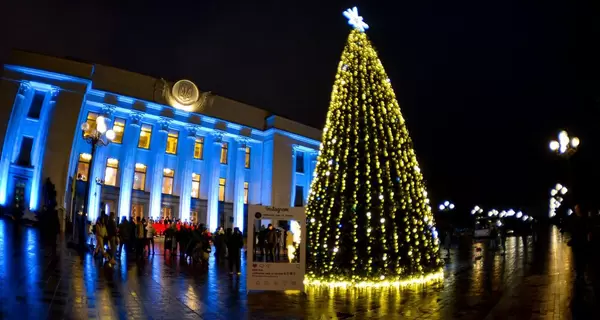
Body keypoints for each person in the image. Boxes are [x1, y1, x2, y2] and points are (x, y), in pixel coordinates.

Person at [568, 204, 590, 281]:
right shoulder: (578, 219)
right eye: (575, 209)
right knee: (579, 259)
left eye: (576, 209)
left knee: (580, 259)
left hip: (580, 243)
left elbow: (579, 232)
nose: (575, 210)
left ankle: (581, 274)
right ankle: (580, 274)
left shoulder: (581, 220)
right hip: (579, 243)